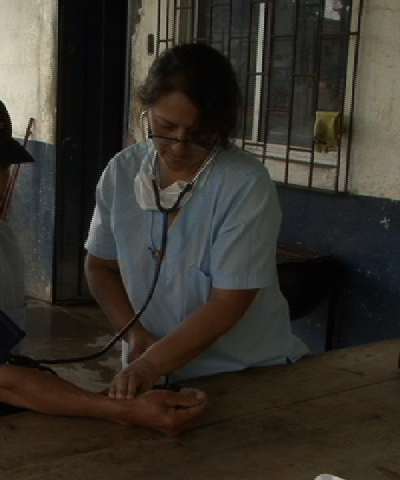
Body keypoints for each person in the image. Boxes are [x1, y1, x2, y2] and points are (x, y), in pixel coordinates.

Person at [0, 85, 208, 437]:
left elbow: (6, 364)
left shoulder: (3, 240)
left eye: (2, 168)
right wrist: (122, 410)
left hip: (2, 412)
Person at [84, 43, 309, 401]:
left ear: (221, 127)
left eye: (200, 133)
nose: (179, 146)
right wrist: (133, 332)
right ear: (146, 110)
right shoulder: (122, 171)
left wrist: (151, 365)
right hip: (151, 371)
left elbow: (228, 302)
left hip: (243, 371)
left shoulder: (244, 183)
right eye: (166, 127)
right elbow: (100, 266)